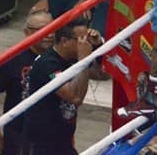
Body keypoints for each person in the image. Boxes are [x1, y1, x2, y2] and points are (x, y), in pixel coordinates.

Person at [21, 17, 103, 155]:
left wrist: (97, 47)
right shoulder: (47, 64)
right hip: (41, 144)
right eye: (81, 39)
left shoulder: (72, 57)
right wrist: (83, 60)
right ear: (65, 41)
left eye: (86, 39)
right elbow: (75, 97)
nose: (85, 44)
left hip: (62, 141)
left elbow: (102, 75)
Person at [0, 11, 53, 155]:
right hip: (18, 134)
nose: (50, 34)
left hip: (50, 134)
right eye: (42, 30)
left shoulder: (59, 55)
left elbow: (97, 73)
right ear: (27, 32)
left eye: (52, 28)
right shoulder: (12, 58)